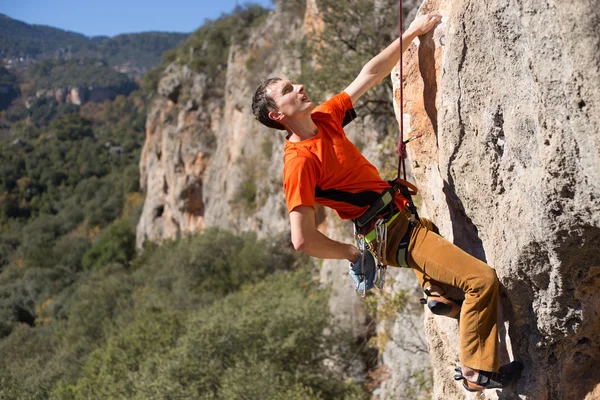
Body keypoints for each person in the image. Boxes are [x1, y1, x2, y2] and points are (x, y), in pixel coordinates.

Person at [251, 13, 521, 393]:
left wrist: (411, 33)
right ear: (278, 115)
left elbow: (369, 75)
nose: (300, 86)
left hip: (399, 219)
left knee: (432, 234)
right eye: (288, 89)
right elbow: (302, 240)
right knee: (481, 280)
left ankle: (439, 294)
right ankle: (478, 371)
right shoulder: (299, 163)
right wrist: (350, 254)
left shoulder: (324, 118)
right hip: (390, 234)